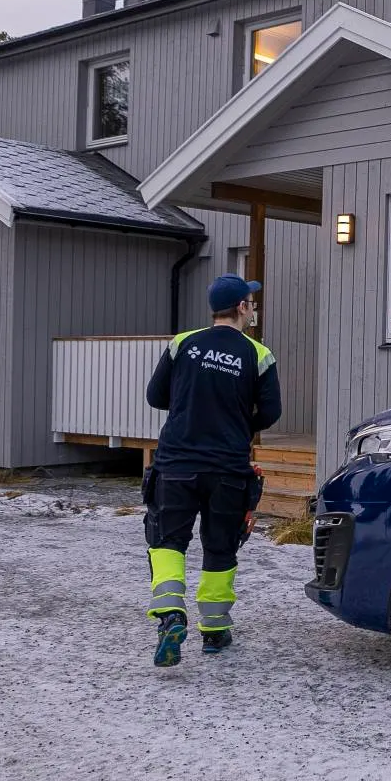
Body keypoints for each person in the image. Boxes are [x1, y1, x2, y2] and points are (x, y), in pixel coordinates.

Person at [142, 273, 282, 667]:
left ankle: (171, 616)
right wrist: (237, 422)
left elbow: (156, 396)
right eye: (251, 302)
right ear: (241, 308)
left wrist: (193, 406)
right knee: (220, 547)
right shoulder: (258, 354)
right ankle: (215, 632)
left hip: (176, 465)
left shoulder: (182, 344)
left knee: (168, 543)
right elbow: (271, 412)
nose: (253, 308)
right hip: (227, 469)